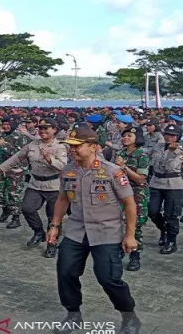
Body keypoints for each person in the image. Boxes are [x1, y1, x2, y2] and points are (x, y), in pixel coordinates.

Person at [48, 126, 141, 334]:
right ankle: (73, 314)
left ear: (93, 147)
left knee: (108, 277)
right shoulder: (68, 170)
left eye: (77, 146)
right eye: (70, 146)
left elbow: (129, 203)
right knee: (65, 271)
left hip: (106, 232)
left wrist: (130, 235)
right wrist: (55, 225)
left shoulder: (112, 172)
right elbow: (63, 199)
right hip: (76, 230)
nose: (72, 150)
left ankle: (129, 316)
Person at [0, 118, 68, 258]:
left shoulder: (59, 146)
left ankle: (52, 244)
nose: (43, 131)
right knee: (27, 208)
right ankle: (38, 232)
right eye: (41, 128)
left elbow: (63, 166)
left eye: (46, 128)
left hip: (54, 187)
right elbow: (15, 158)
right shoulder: (33, 145)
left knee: (53, 218)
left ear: (54, 130)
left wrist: (50, 160)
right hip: (35, 184)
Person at [115, 127, 149, 270]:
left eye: (129, 135)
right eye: (124, 135)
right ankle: (120, 250)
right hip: (120, 191)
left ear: (137, 138)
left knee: (135, 225)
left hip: (137, 193)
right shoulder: (120, 153)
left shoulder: (141, 155)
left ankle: (135, 256)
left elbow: (141, 179)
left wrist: (124, 167)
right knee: (118, 222)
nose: (125, 138)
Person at [147, 124, 183, 254]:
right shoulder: (158, 145)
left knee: (171, 215)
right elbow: (149, 156)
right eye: (167, 134)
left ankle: (171, 241)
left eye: (172, 135)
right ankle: (164, 230)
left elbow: (168, 167)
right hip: (156, 182)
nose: (169, 137)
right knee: (152, 211)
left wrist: (171, 153)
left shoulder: (180, 150)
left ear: (178, 137)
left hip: (173, 184)